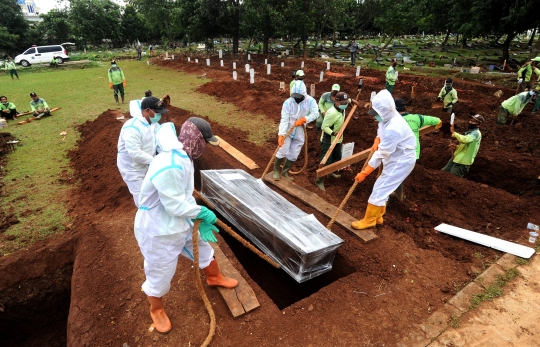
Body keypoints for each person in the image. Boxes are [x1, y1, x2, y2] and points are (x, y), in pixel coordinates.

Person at [135, 119, 237, 333]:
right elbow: (173, 205)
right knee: (160, 271)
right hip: (158, 229)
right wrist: (202, 212)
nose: (206, 147)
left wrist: (196, 220)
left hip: (180, 221)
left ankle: (213, 277)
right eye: (205, 142)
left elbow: (182, 197)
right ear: (195, 139)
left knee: (204, 248)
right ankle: (156, 309)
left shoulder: (184, 157)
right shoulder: (170, 164)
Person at [351, 89, 416, 230]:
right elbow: (381, 128)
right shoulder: (388, 118)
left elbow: (382, 153)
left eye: (377, 115)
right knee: (384, 187)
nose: (375, 117)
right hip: (395, 155)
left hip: (402, 160)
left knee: (380, 188)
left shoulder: (394, 127)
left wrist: (366, 171)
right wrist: (378, 138)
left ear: (385, 112)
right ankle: (378, 217)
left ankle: (369, 220)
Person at [117, 96, 168, 206]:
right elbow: (135, 153)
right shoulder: (132, 127)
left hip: (148, 165)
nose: (160, 115)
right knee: (143, 200)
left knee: (153, 194)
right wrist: (156, 162)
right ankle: (144, 220)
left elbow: (160, 144)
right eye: (157, 112)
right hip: (132, 168)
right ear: (147, 111)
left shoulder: (154, 125)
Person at [392, 98, 441, 200]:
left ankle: (394, 197)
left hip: (401, 154)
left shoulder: (394, 121)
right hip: (414, 153)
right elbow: (436, 120)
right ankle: (398, 194)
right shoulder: (416, 118)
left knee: (392, 175)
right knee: (398, 174)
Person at [273, 80, 319, 181]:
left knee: (294, 153)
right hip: (289, 129)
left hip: (300, 131)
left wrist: (305, 119)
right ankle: (276, 171)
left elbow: (316, 113)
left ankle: (285, 172)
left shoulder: (310, 101)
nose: (297, 99)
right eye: (295, 96)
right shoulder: (288, 103)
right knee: (283, 150)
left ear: (304, 95)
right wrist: (281, 134)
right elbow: (284, 119)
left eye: (299, 97)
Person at [316, 92, 357, 191]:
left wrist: (352, 101)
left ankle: (331, 173)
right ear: (337, 102)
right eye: (343, 103)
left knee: (337, 157)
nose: (345, 104)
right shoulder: (331, 113)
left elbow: (349, 100)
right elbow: (324, 127)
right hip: (328, 140)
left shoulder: (342, 106)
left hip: (338, 139)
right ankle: (319, 180)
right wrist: (333, 133)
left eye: (346, 102)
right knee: (326, 161)